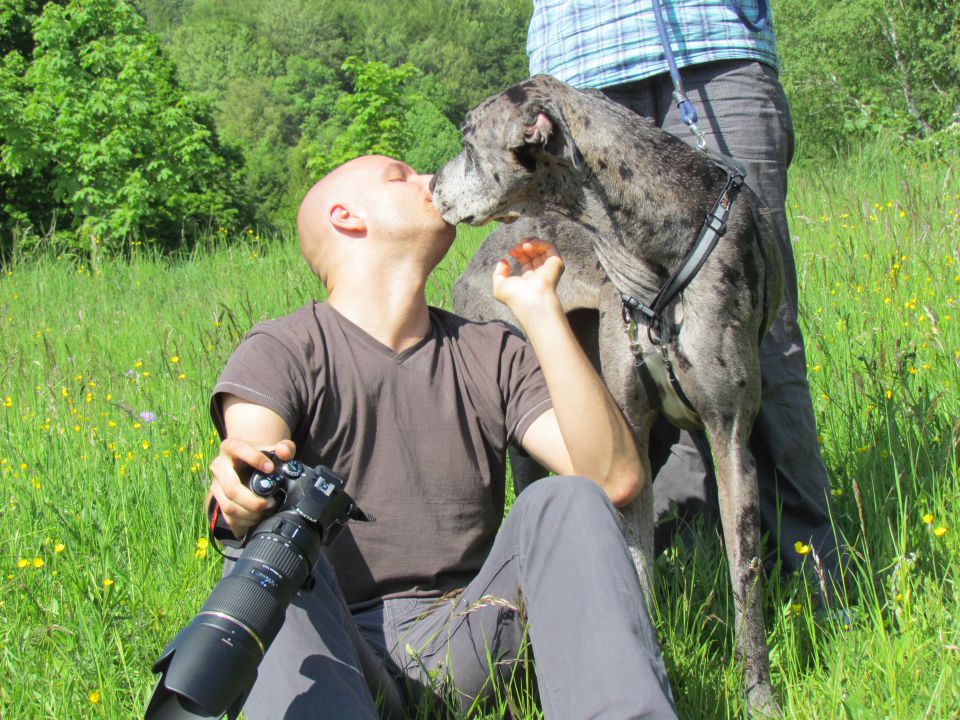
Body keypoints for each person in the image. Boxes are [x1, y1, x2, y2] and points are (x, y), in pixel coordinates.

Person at [206, 155, 678, 719]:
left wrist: (541, 311)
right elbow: (248, 462)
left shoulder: (491, 350)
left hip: (473, 634)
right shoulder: (284, 348)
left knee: (566, 498)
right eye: (400, 176)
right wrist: (239, 492)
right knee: (273, 549)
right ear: (346, 216)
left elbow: (615, 479)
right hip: (338, 652)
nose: (433, 179)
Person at [527, 0, 848, 592]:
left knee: (760, 339)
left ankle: (817, 574)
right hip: (576, 73)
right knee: (608, 350)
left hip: (714, 51)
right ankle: (629, 584)